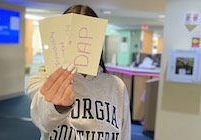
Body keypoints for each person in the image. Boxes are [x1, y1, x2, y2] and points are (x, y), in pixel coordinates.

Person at [26, 4, 131, 140]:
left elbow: (124, 132)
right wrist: (58, 106)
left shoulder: (117, 85)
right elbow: (44, 121)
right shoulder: (42, 80)